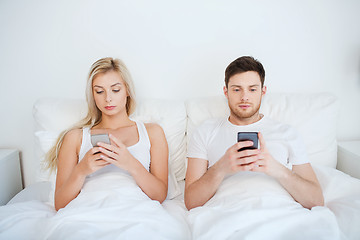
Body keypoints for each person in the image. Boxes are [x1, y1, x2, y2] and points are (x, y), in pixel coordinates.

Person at [184, 56, 324, 210]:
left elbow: (316, 200)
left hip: (280, 212)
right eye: (237, 89)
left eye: (252, 89)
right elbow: (191, 201)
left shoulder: (287, 133)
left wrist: (276, 169)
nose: (244, 97)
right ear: (226, 91)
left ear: (263, 91)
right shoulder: (205, 131)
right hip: (225, 214)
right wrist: (221, 168)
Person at [45, 57, 169, 211]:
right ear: (93, 95)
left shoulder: (152, 132)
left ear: (127, 90)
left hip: (135, 209)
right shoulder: (74, 138)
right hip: (87, 210)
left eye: (115, 90)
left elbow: (160, 195)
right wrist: (81, 170)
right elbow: (60, 204)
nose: (108, 98)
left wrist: (130, 163)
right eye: (99, 91)